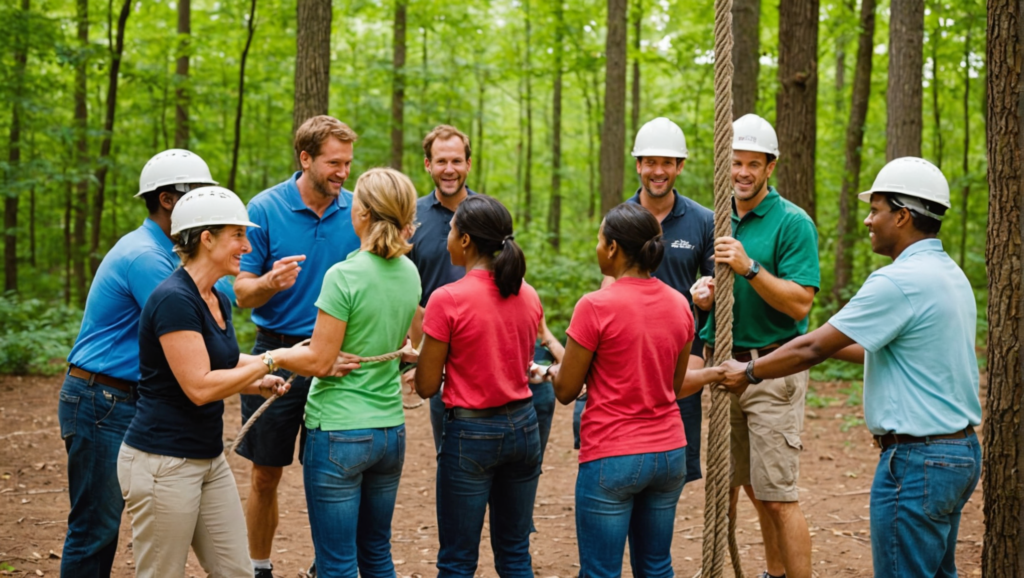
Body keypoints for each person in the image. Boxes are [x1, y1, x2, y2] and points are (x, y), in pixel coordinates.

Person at [717, 157, 981, 578]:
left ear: (903, 215)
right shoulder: (950, 275)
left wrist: (750, 372)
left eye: (875, 210)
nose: (867, 220)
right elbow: (869, 349)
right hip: (959, 454)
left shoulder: (898, 281)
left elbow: (814, 346)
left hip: (917, 462)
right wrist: (791, 346)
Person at [117, 186, 331, 577]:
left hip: (208, 459)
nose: (247, 247)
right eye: (238, 235)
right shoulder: (173, 300)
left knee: (237, 571)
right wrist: (275, 359)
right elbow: (199, 386)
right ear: (206, 238)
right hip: (164, 462)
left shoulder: (217, 298)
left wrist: (260, 380)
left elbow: (226, 363)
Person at [58, 149, 217, 577]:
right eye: (198, 195)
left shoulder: (165, 252)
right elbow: (192, 330)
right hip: (102, 400)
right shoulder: (146, 257)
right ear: (168, 200)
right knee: (95, 529)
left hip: (125, 398)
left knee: (115, 524)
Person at [548, 203, 721, 578]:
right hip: (669, 453)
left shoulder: (594, 306)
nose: (597, 248)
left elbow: (566, 390)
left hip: (613, 454)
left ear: (612, 248)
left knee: (601, 572)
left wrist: (554, 369)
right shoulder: (680, 304)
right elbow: (674, 386)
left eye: (599, 240)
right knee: (657, 567)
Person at [269, 167, 422, 578]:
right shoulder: (410, 273)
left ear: (364, 215)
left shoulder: (344, 277)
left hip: (338, 432)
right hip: (390, 431)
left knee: (337, 564)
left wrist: (277, 358)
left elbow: (320, 361)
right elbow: (408, 340)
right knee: (376, 554)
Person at [230, 115, 361, 578]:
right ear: (305, 159)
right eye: (333, 163)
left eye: (347, 162)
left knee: (334, 475)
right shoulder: (264, 209)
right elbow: (242, 292)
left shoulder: (357, 211)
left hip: (341, 358)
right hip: (278, 354)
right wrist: (270, 281)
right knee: (266, 472)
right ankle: (258, 568)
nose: (343, 172)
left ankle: (328, 565)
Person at [693, 113, 819, 578]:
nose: (742, 172)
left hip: (773, 371)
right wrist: (705, 298)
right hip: (725, 370)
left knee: (778, 496)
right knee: (741, 488)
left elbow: (798, 304)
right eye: (735, 162)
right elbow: (723, 297)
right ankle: (773, 573)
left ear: (770, 168)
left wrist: (749, 269)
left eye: (752, 163)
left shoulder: (792, 223)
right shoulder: (719, 216)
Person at [414, 195, 543, 578]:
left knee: (456, 560)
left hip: (471, 434)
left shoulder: (447, 299)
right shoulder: (528, 294)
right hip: (524, 427)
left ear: (466, 240)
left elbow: (425, 386)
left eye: (451, 231)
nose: (448, 239)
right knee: (515, 554)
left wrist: (420, 357)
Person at [627, 116, 717, 484]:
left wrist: (706, 299)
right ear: (638, 165)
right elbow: (607, 285)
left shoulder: (704, 220)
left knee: (672, 466)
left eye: (667, 162)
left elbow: (715, 289)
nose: (658, 171)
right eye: (650, 162)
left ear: (680, 166)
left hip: (683, 352)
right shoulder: (621, 218)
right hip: (629, 354)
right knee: (625, 456)